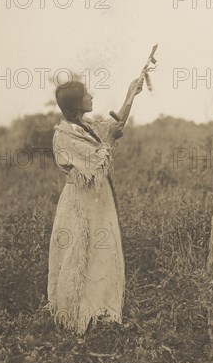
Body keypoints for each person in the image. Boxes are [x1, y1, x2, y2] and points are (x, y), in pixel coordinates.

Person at [47, 77, 143, 334]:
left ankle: (99, 313)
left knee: (102, 252)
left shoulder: (86, 126)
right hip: (80, 202)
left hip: (99, 200)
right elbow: (98, 161)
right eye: (87, 95)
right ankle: (74, 319)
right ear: (78, 105)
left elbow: (114, 126)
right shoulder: (65, 136)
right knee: (78, 254)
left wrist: (131, 93)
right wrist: (110, 142)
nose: (92, 97)